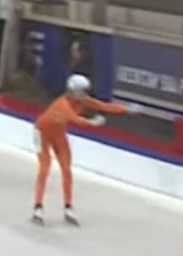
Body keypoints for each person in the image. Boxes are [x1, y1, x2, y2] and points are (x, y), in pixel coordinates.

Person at [32, 74, 128, 225]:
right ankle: (38, 206)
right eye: (82, 91)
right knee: (45, 168)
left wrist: (126, 109)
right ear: (73, 90)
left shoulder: (83, 100)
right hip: (42, 133)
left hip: (58, 134)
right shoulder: (62, 104)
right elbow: (75, 119)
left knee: (66, 170)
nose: (84, 94)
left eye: (85, 91)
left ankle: (68, 207)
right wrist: (93, 123)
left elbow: (104, 106)